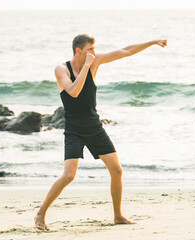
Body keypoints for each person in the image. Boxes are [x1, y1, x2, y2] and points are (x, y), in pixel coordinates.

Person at [34, 34, 167, 230]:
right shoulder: (61, 69)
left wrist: (152, 42)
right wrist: (87, 66)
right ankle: (40, 215)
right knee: (69, 175)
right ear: (79, 51)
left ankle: (118, 215)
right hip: (74, 130)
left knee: (117, 170)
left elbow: (125, 51)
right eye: (90, 49)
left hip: (94, 127)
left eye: (94, 49)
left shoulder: (95, 62)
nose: (94, 53)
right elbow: (73, 91)